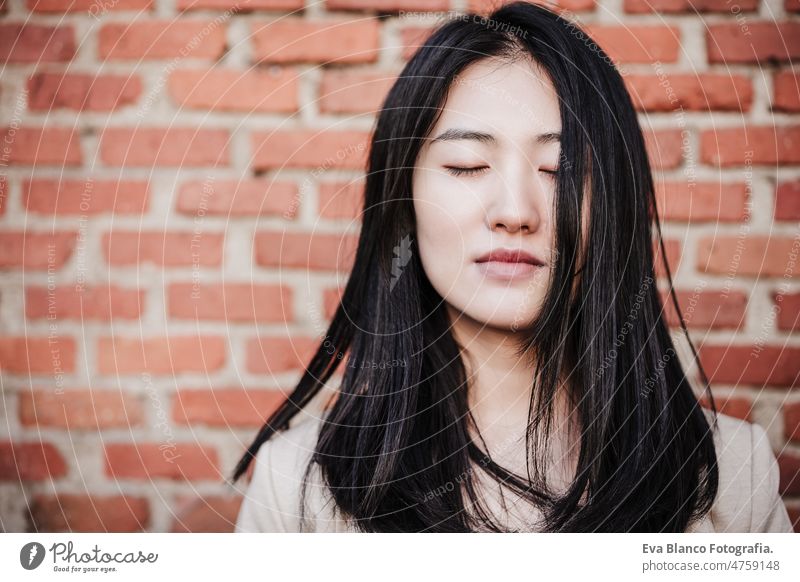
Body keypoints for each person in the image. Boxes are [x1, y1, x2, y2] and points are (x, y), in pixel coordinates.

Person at [231, 1, 793, 533]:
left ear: (614, 206)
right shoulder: (295, 492)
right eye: (468, 165)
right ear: (403, 202)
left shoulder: (730, 478)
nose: (515, 213)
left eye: (561, 167)